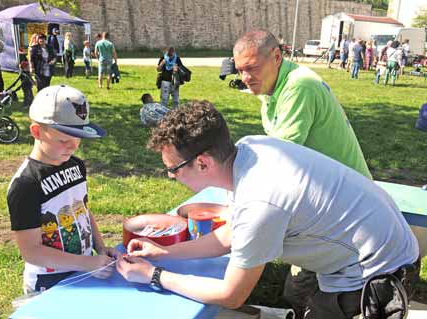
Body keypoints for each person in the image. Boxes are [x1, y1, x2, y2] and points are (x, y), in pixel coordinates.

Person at [116, 101, 420, 319]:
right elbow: (230, 235)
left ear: (203, 162)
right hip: (375, 249)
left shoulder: (260, 201)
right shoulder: (251, 149)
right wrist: (165, 253)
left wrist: (154, 276)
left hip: (378, 277)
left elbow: (231, 294)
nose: (170, 176)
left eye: (173, 169)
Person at [7, 84, 117, 293]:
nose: (73, 146)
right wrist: (87, 263)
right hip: (49, 283)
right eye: (64, 139)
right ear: (37, 131)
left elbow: (83, 210)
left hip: (82, 271)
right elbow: (31, 252)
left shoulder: (76, 165)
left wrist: (99, 247)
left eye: (78, 137)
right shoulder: (26, 184)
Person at [232, 30, 371, 178]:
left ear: (277, 57)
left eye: (252, 68)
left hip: (349, 194)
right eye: (240, 70)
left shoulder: (299, 85)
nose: (245, 78)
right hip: (330, 185)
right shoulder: (272, 88)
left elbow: (281, 157)